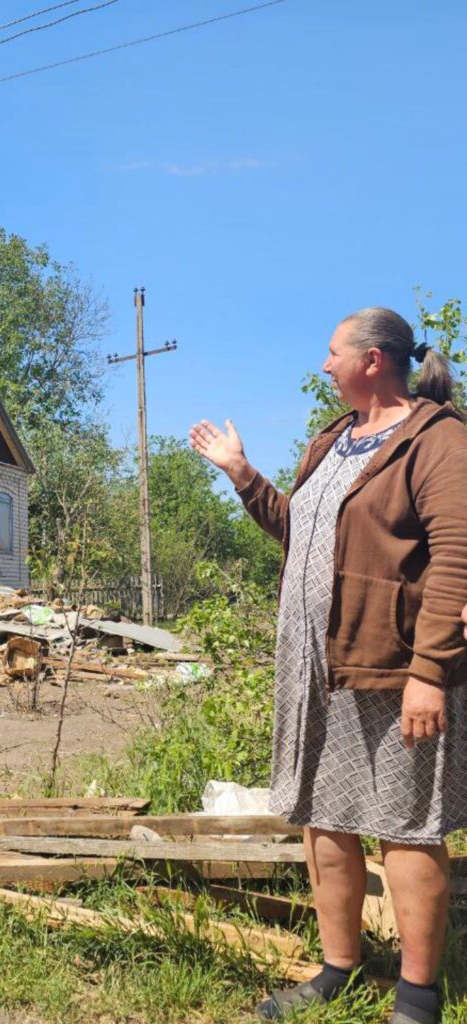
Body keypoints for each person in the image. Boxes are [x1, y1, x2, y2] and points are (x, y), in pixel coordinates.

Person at [190, 307, 467, 1024]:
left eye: (332, 353)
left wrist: (431, 671)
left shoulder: (437, 441)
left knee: (407, 825)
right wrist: (244, 476)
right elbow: (302, 534)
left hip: (391, 670)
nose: (323, 365)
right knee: (324, 815)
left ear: (372, 361)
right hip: (315, 668)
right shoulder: (332, 440)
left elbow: (456, 563)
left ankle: (417, 996)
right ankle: (338, 968)